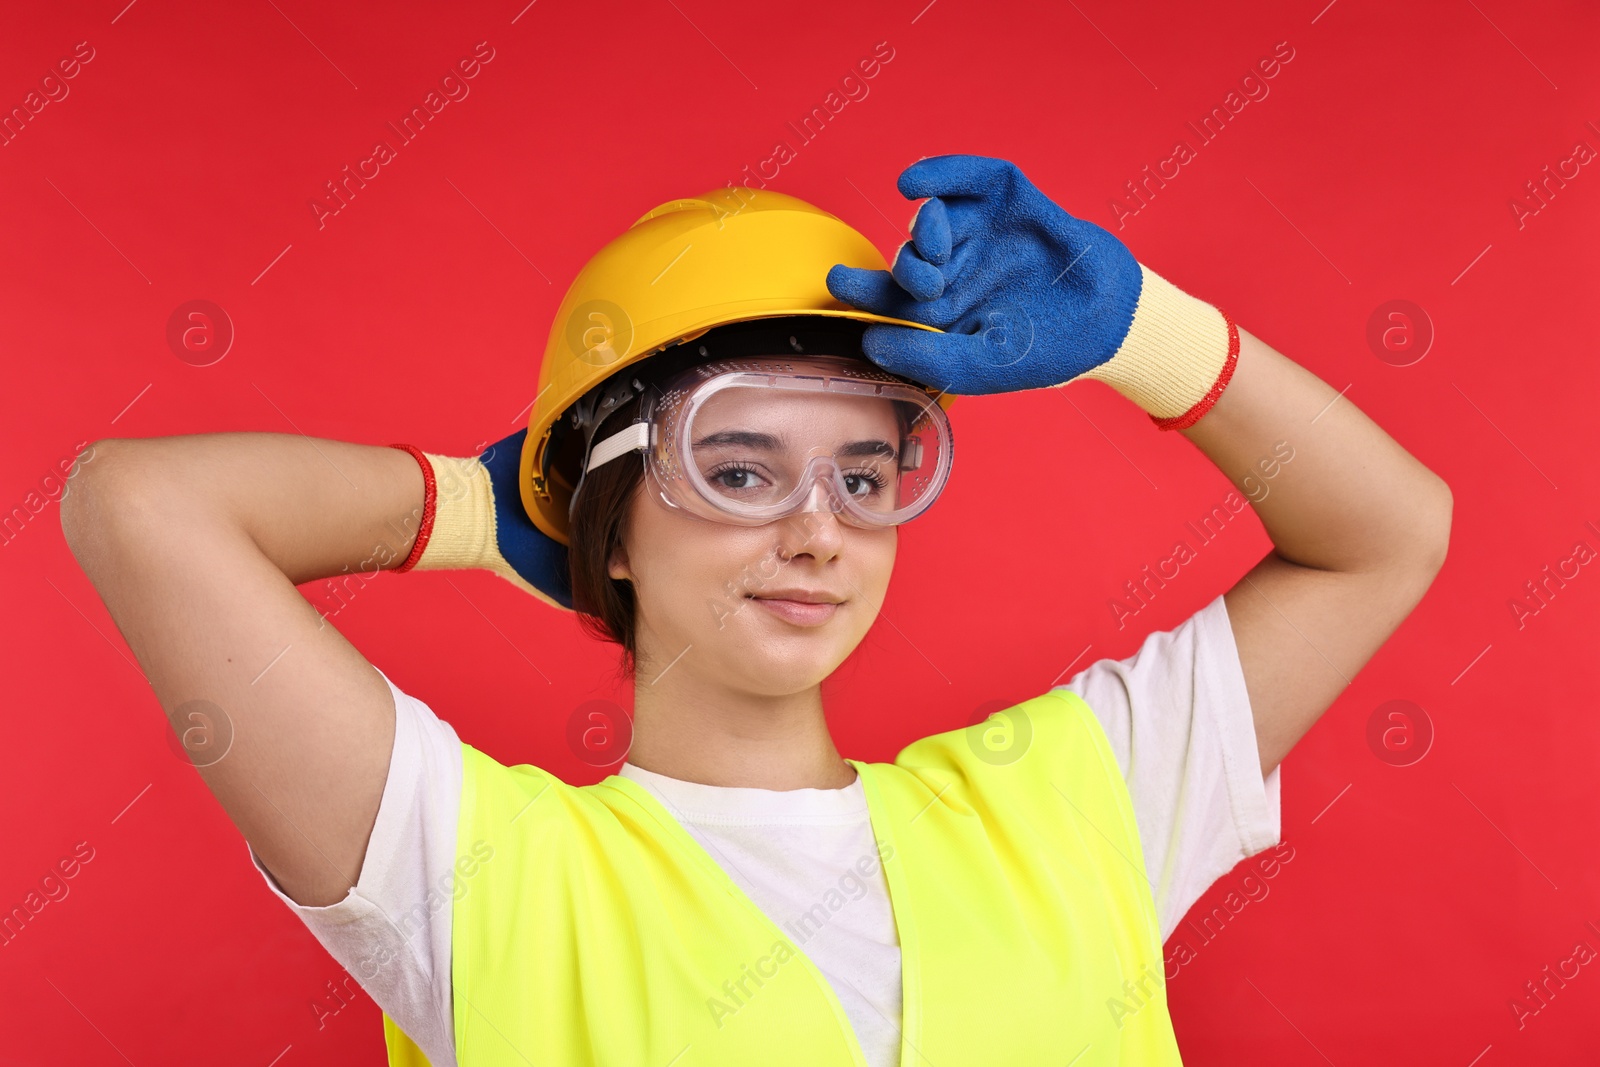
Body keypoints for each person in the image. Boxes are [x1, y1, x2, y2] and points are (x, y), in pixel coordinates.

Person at [59, 154, 1451, 1066]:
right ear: (617, 513)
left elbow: (1388, 536)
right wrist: (488, 511)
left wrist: (1151, 331)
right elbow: (138, 504)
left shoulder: (1080, 801)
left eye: (864, 472)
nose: (816, 531)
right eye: (736, 470)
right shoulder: (475, 872)